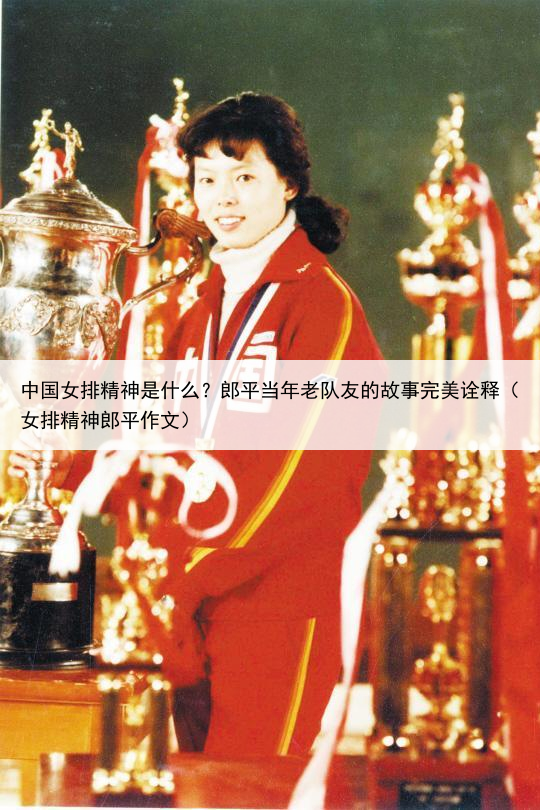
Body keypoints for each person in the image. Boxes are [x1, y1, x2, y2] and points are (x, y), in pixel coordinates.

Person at [10, 92, 381, 758]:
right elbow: (158, 452)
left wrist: (194, 573)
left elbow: (302, 478)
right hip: (187, 603)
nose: (222, 198)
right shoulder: (199, 308)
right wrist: (66, 467)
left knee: (250, 788)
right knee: (194, 789)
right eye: (207, 179)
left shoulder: (322, 304)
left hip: (273, 604)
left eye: (244, 176)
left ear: (288, 184)